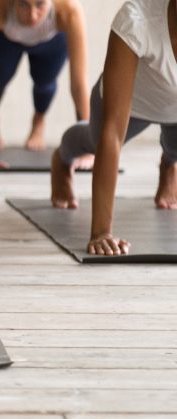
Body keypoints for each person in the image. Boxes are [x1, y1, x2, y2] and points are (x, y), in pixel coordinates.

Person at [51, 0, 177, 256]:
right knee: (95, 140)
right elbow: (112, 132)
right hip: (131, 106)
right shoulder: (136, 19)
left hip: (173, 109)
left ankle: (169, 163)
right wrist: (101, 232)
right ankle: (62, 159)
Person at [0, 0, 89, 170]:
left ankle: (38, 121)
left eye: (40, 5)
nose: (32, 15)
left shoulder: (69, 10)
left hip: (51, 42)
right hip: (8, 40)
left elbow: (78, 84)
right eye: (24, 4)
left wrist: (89, 151)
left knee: (45, 84)